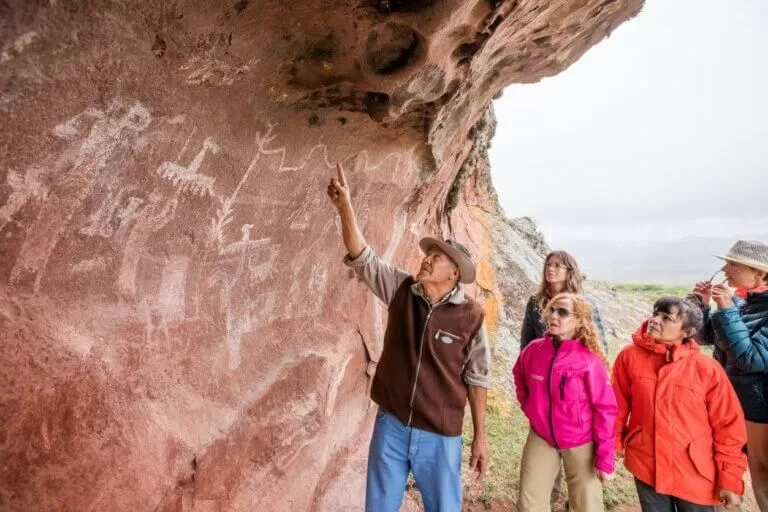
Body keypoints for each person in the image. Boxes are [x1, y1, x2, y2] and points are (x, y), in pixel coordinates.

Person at [326, 164, 491, 512]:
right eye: (428, 253)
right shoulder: (402, 290)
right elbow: (363, 258)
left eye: (437, 257)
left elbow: (477, 380)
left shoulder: (472, 316)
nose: (427, 259)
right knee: (380, 507)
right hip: (393, 424)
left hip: (441, 435)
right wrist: (345, 207)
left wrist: (480, 437)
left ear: (455, 273)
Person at [613, 296, 747, 511]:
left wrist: (729, 477)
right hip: (646, 462)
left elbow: (728, 426)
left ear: (687, 332)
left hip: (695, 470)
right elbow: (617, 405)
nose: (655, 320)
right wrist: (614, 442)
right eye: (655, 313)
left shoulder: (707, 369)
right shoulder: (629, 356)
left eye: (667, 318)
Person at [519, 250, 608, 507]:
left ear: (570, 270)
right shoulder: (535, 303)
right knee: (540, 476)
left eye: (558, 265)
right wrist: (530, 400)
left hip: (575, 399)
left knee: (582, 479)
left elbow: (597, 348)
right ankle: (550, 497)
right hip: (544, 396)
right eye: (548, 264)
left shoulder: (583, 303)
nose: (551, 269)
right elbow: (526, 347)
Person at [693, 240, 768, 511]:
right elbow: (706, 338)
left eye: (733, 263)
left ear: (759, 273)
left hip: (759, 411)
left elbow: (751, 358)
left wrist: (726, 309)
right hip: (734, 404)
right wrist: (704, 308)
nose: (725, 268)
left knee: (763, 476)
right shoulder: (744, 301)